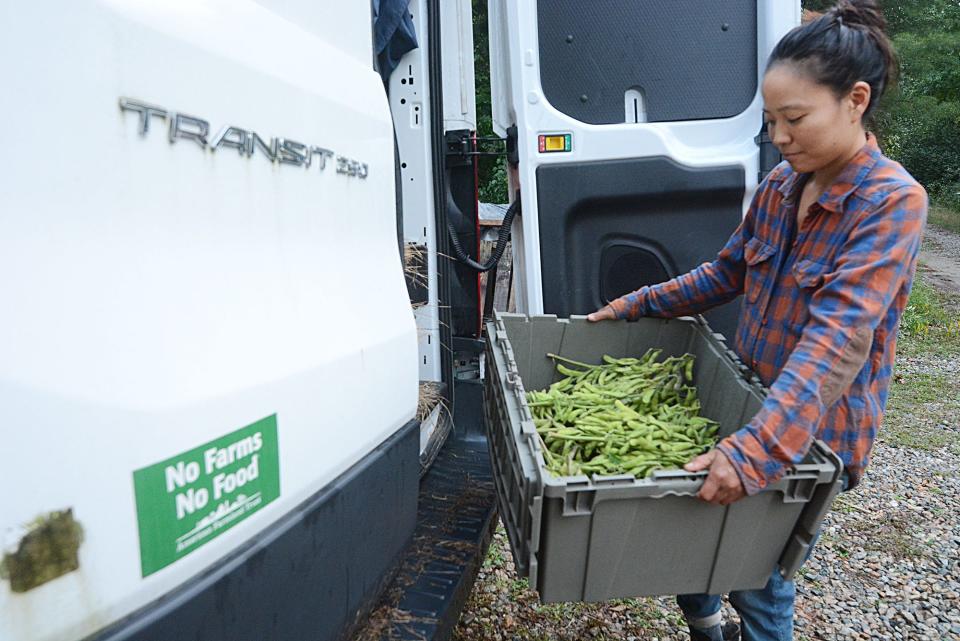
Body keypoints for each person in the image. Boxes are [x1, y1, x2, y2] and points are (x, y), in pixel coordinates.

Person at [587, 1, 927, 640]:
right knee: (691, 534)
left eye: (795, 119)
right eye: (771, 121)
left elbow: (841, 338)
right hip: (743, 404)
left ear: (855, 100)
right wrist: (638, 303)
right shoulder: (780, 186)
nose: (780, 136)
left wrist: (757, 453)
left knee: (761, 577)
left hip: (808, 434)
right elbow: (726, 273)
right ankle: (707, 623)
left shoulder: (891, 201)